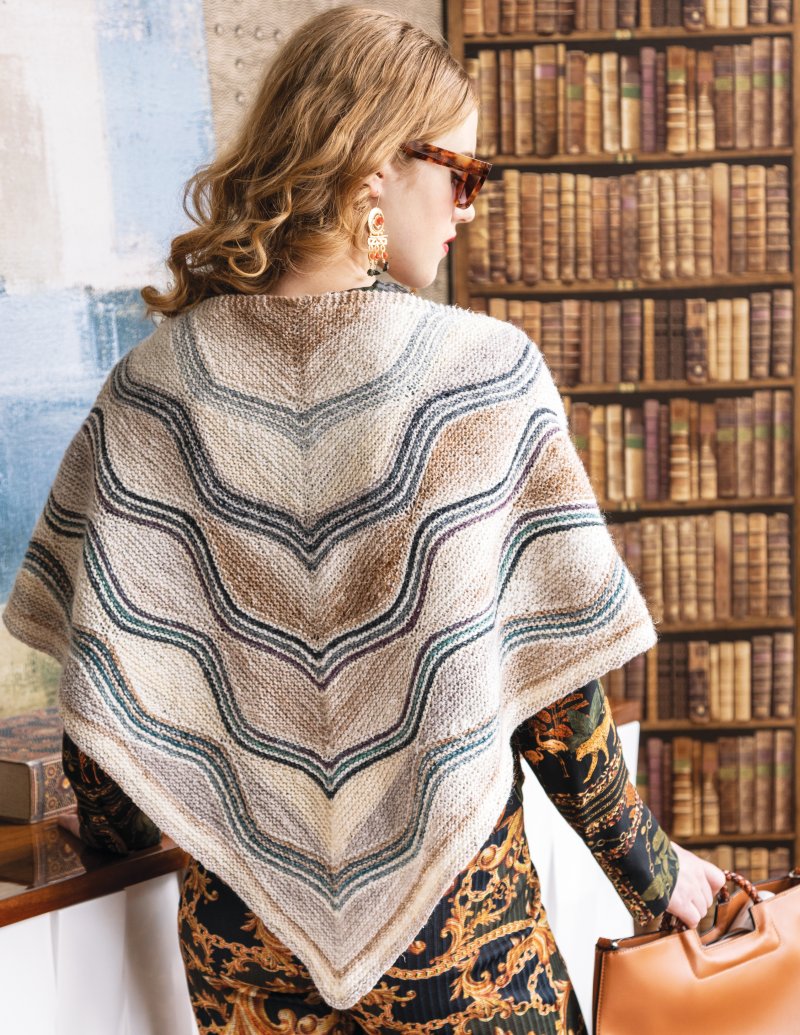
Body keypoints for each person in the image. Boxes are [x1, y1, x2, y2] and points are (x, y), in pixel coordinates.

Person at [4, 6, 726, 1034]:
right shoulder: (482, 383)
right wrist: (653, 872)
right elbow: (556, 704)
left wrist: (121, 844)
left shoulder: (153, 393)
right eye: (462, 173)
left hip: (243, 961)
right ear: (374, 167)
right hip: (463, 956)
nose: (467, 206)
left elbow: (105, 692)